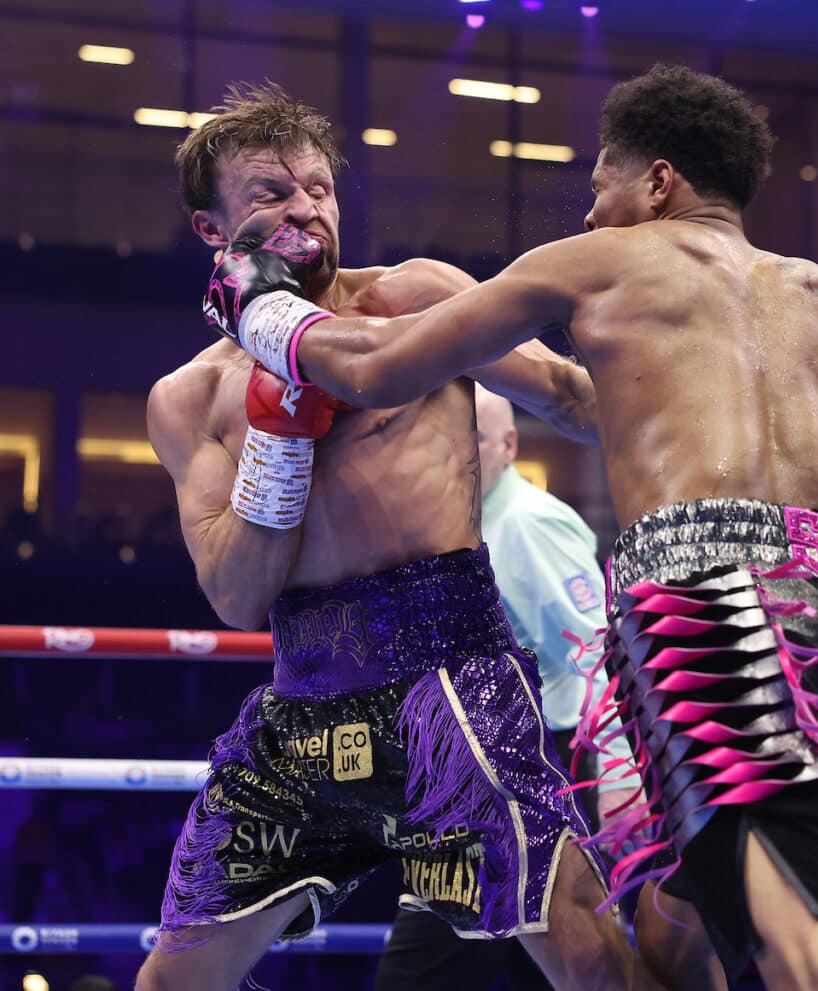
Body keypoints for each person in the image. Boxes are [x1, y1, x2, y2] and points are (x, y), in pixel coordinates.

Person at [202, 64, 818, 991]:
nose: (594, 213)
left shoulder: (599, 261)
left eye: (601, 186)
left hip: (720, 620)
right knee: (684, 940)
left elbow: (373, 369)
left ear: (658, 181)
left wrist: (263, 305)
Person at [140, 81, 664, 991]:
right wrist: (280, 435)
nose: (306, 208)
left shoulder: (416, 298)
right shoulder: (190, 398)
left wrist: (702, 435)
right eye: (272, 193)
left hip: (452, 681)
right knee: (172, 977)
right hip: (304, 704)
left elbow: (572, 397)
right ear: (211, 230)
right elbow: (234, 593)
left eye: (319, 187)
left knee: (584, 952)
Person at [375, 385, 643, 991]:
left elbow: (595, 649)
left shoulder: (528, 522)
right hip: (477, 775)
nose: (454, 454)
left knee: (428, 966)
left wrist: (619, 771)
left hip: (540, 774)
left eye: (470, 439)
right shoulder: (454, 525)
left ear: (507, 445)